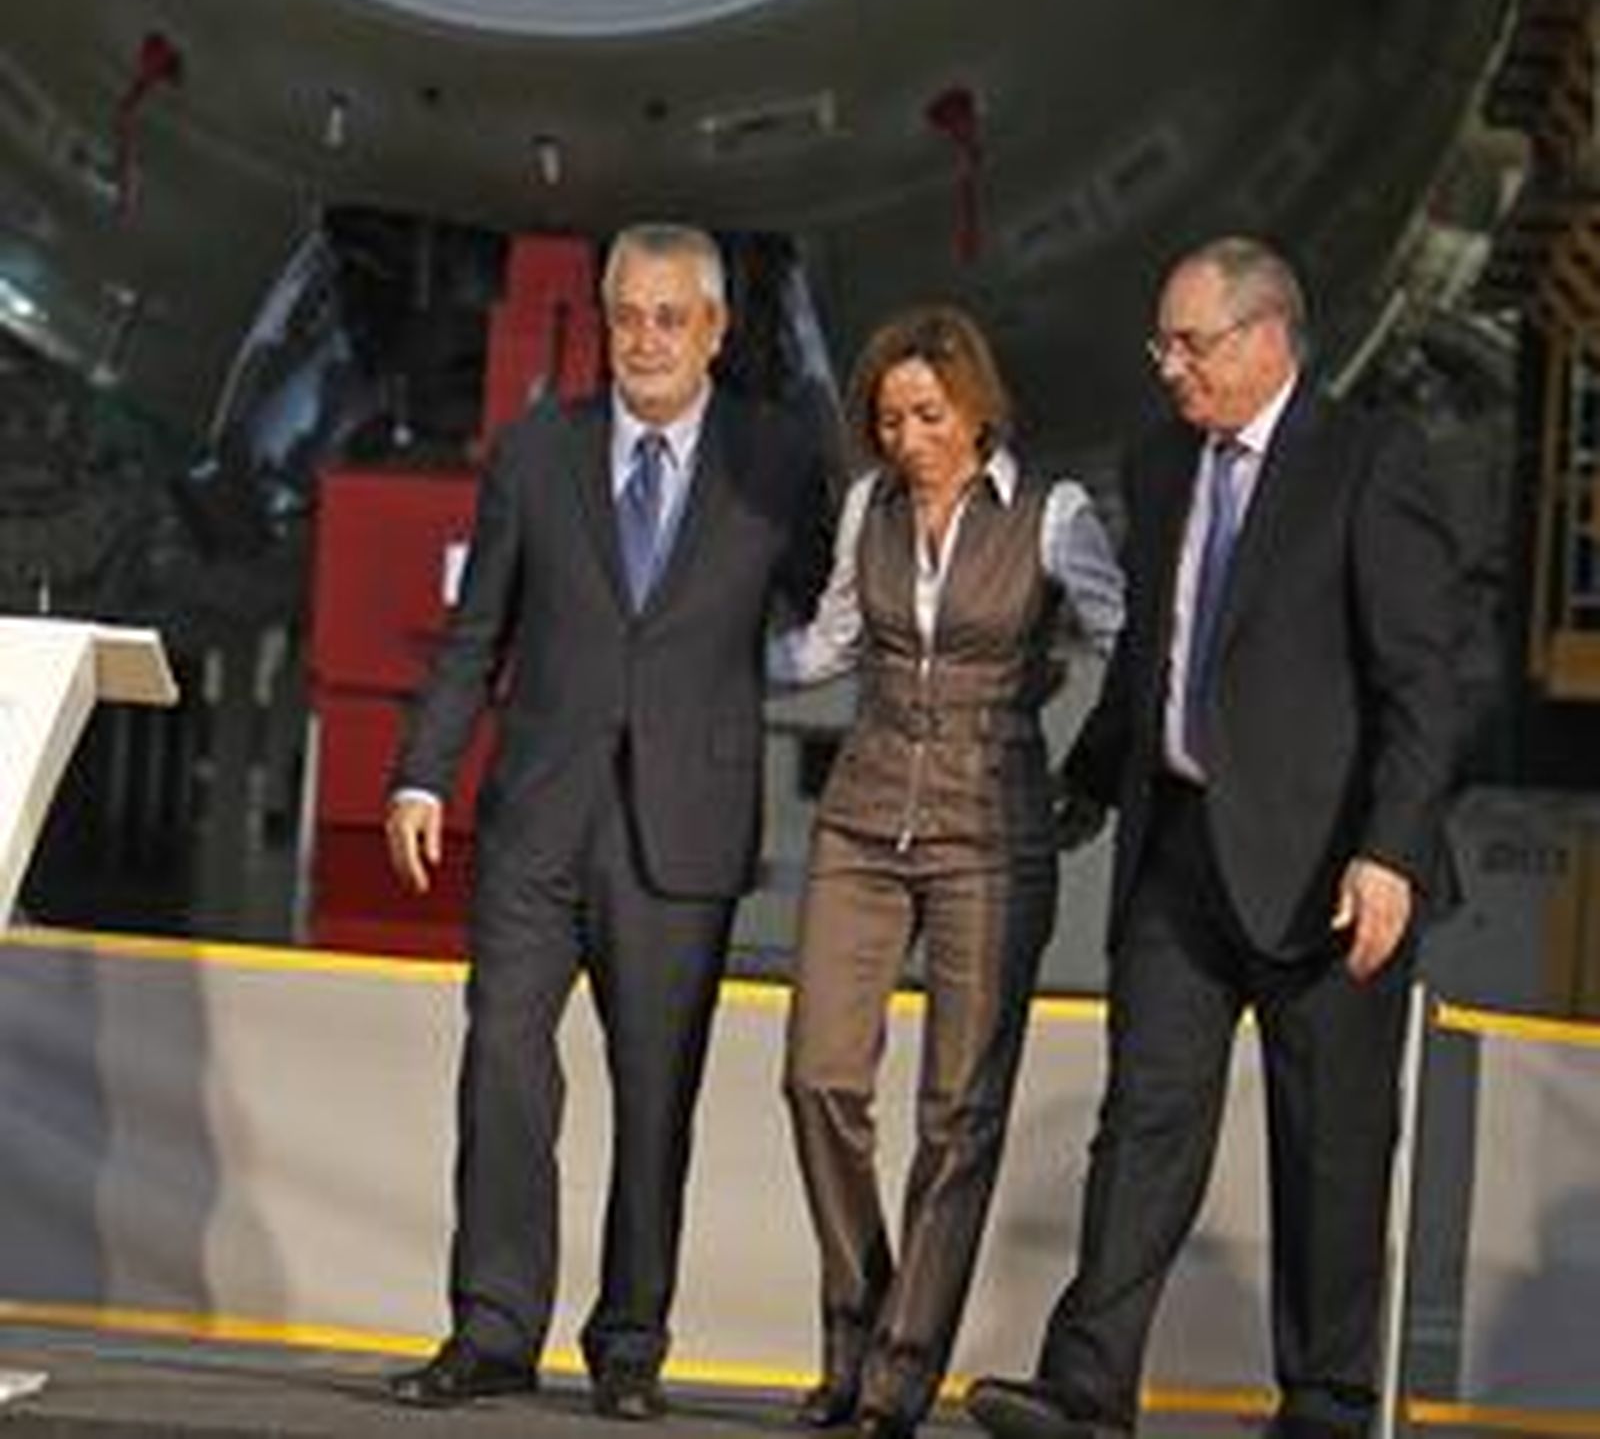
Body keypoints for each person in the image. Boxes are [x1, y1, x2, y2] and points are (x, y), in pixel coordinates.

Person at [965, 237, 1461, 1439]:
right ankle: (1089, 1383)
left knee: (1329, 1140)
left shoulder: (1366, 462)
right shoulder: (1159, 459)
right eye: (1162, 343)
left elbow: (1423, 682)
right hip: (1179, 853)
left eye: (1187, 342)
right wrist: (1088, 780)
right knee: (1144, 1115)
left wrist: (1390, 848)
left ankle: (1325, 1400)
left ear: (1265, 336)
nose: (1167, 366)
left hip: (1331, 868)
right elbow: (1155, 654)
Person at [385, 223, 834, 1415]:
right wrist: (420, 772)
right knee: (504, 1066)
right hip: (537, 819)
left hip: (683, 828)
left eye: (670, 317)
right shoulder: (538, 449)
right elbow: (477, 628)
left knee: (656, 1096)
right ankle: (490, 1326)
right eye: (626, 315)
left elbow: (845, 600)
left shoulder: (780, 462)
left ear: (717, 330)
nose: (644, 339)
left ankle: (629, 1345)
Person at [773, 306, 1124, 1439]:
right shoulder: (866, 506)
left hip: (994, 829)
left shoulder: (1054, 515)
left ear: (976, 408)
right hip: (863, 814)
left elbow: (1130, 642)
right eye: (887, 418)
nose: (907, 436)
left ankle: (892, 1378)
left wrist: (1097, 767)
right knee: (819, 1076)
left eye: (926, 414)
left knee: (957, 1113)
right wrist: (697, 664)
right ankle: (861, 1318)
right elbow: (828, 641)